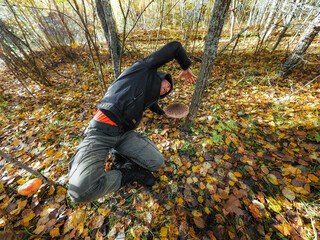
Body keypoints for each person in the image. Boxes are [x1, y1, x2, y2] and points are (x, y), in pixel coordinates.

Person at [67, 41, 196, 203]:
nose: (166, 90)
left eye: (167, 92)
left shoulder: (147, 98)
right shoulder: (142, 70)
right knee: (79, 193)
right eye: (167, 85)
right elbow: (175, 47)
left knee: (157, 162)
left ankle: (124, 163)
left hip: (123, 134)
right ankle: (125, 172)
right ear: (161, 76)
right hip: (100, 132)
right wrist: (186, 67)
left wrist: (163, 113)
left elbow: (153, 105)